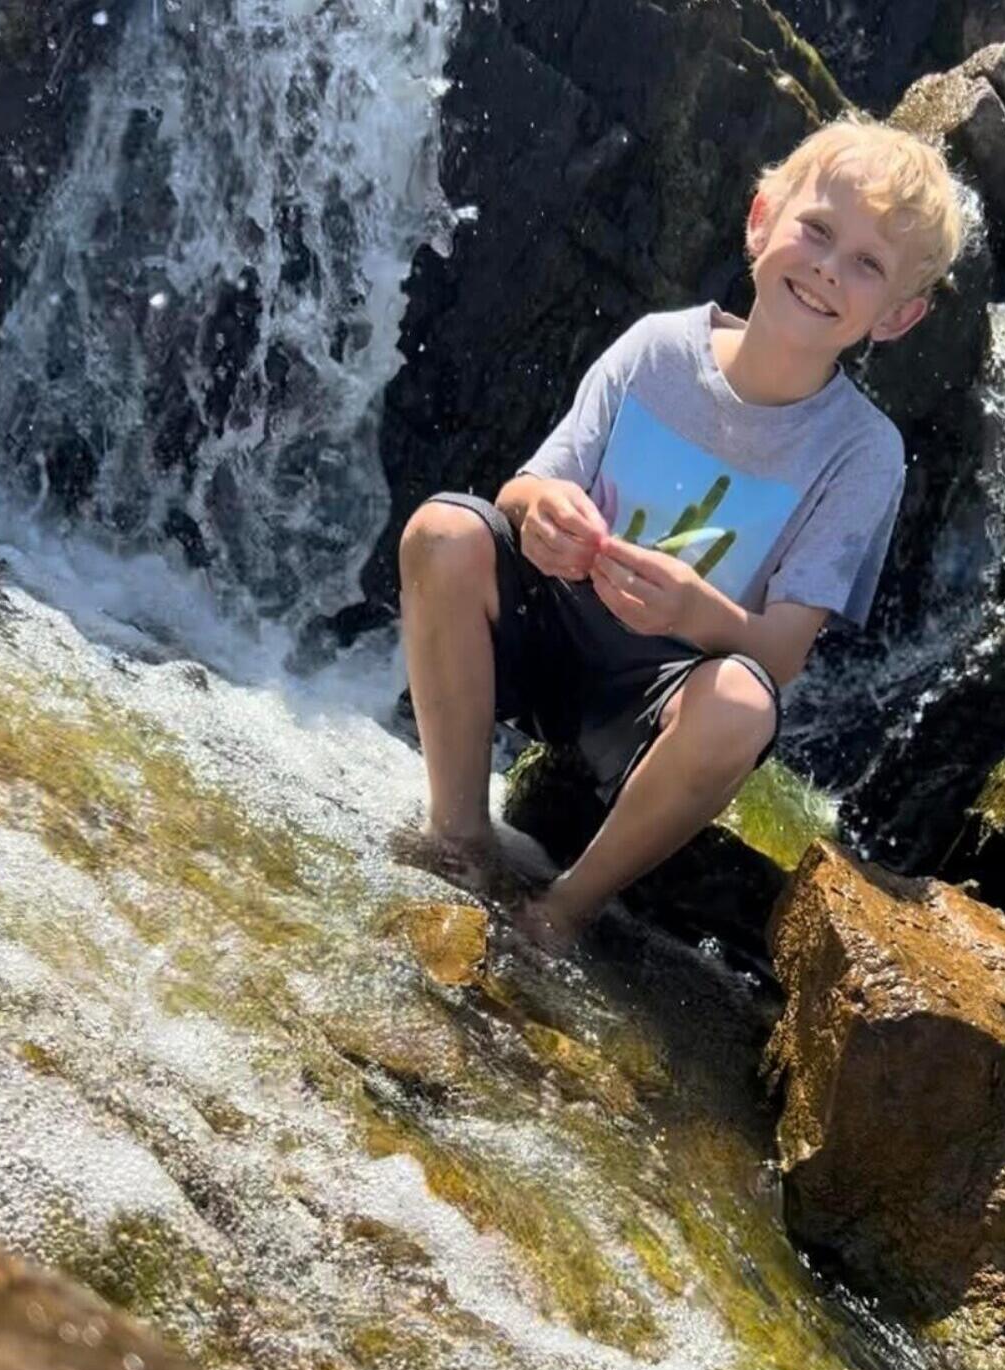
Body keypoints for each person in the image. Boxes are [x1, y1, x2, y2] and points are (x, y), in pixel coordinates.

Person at [397, 115, 966, 949]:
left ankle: (565, 908)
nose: (825, 270)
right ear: (761, 218)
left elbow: (777, 657)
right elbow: (526, 484)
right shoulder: (659, 347)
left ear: (897, 317)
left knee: (741, 703)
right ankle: (459, 839)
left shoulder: (862, 453)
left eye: (867, 265)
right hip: (546, 631)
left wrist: (697, 611)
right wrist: (540, 512)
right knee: (443, 530)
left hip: (655, 702)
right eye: (816, 230)